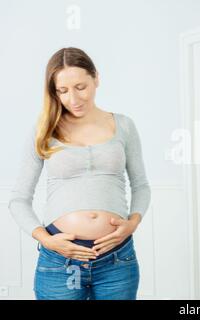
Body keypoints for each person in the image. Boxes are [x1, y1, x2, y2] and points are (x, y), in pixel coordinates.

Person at [9, 47, 151, 300]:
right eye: (62, 91)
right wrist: (47, 240)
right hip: (60, 262)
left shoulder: (124, 125)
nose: (73, 99)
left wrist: (132, 223)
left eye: (80, 87)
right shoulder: (44, 129)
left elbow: (141, 185)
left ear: (96, 78)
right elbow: (18, 199)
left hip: (117, 260)